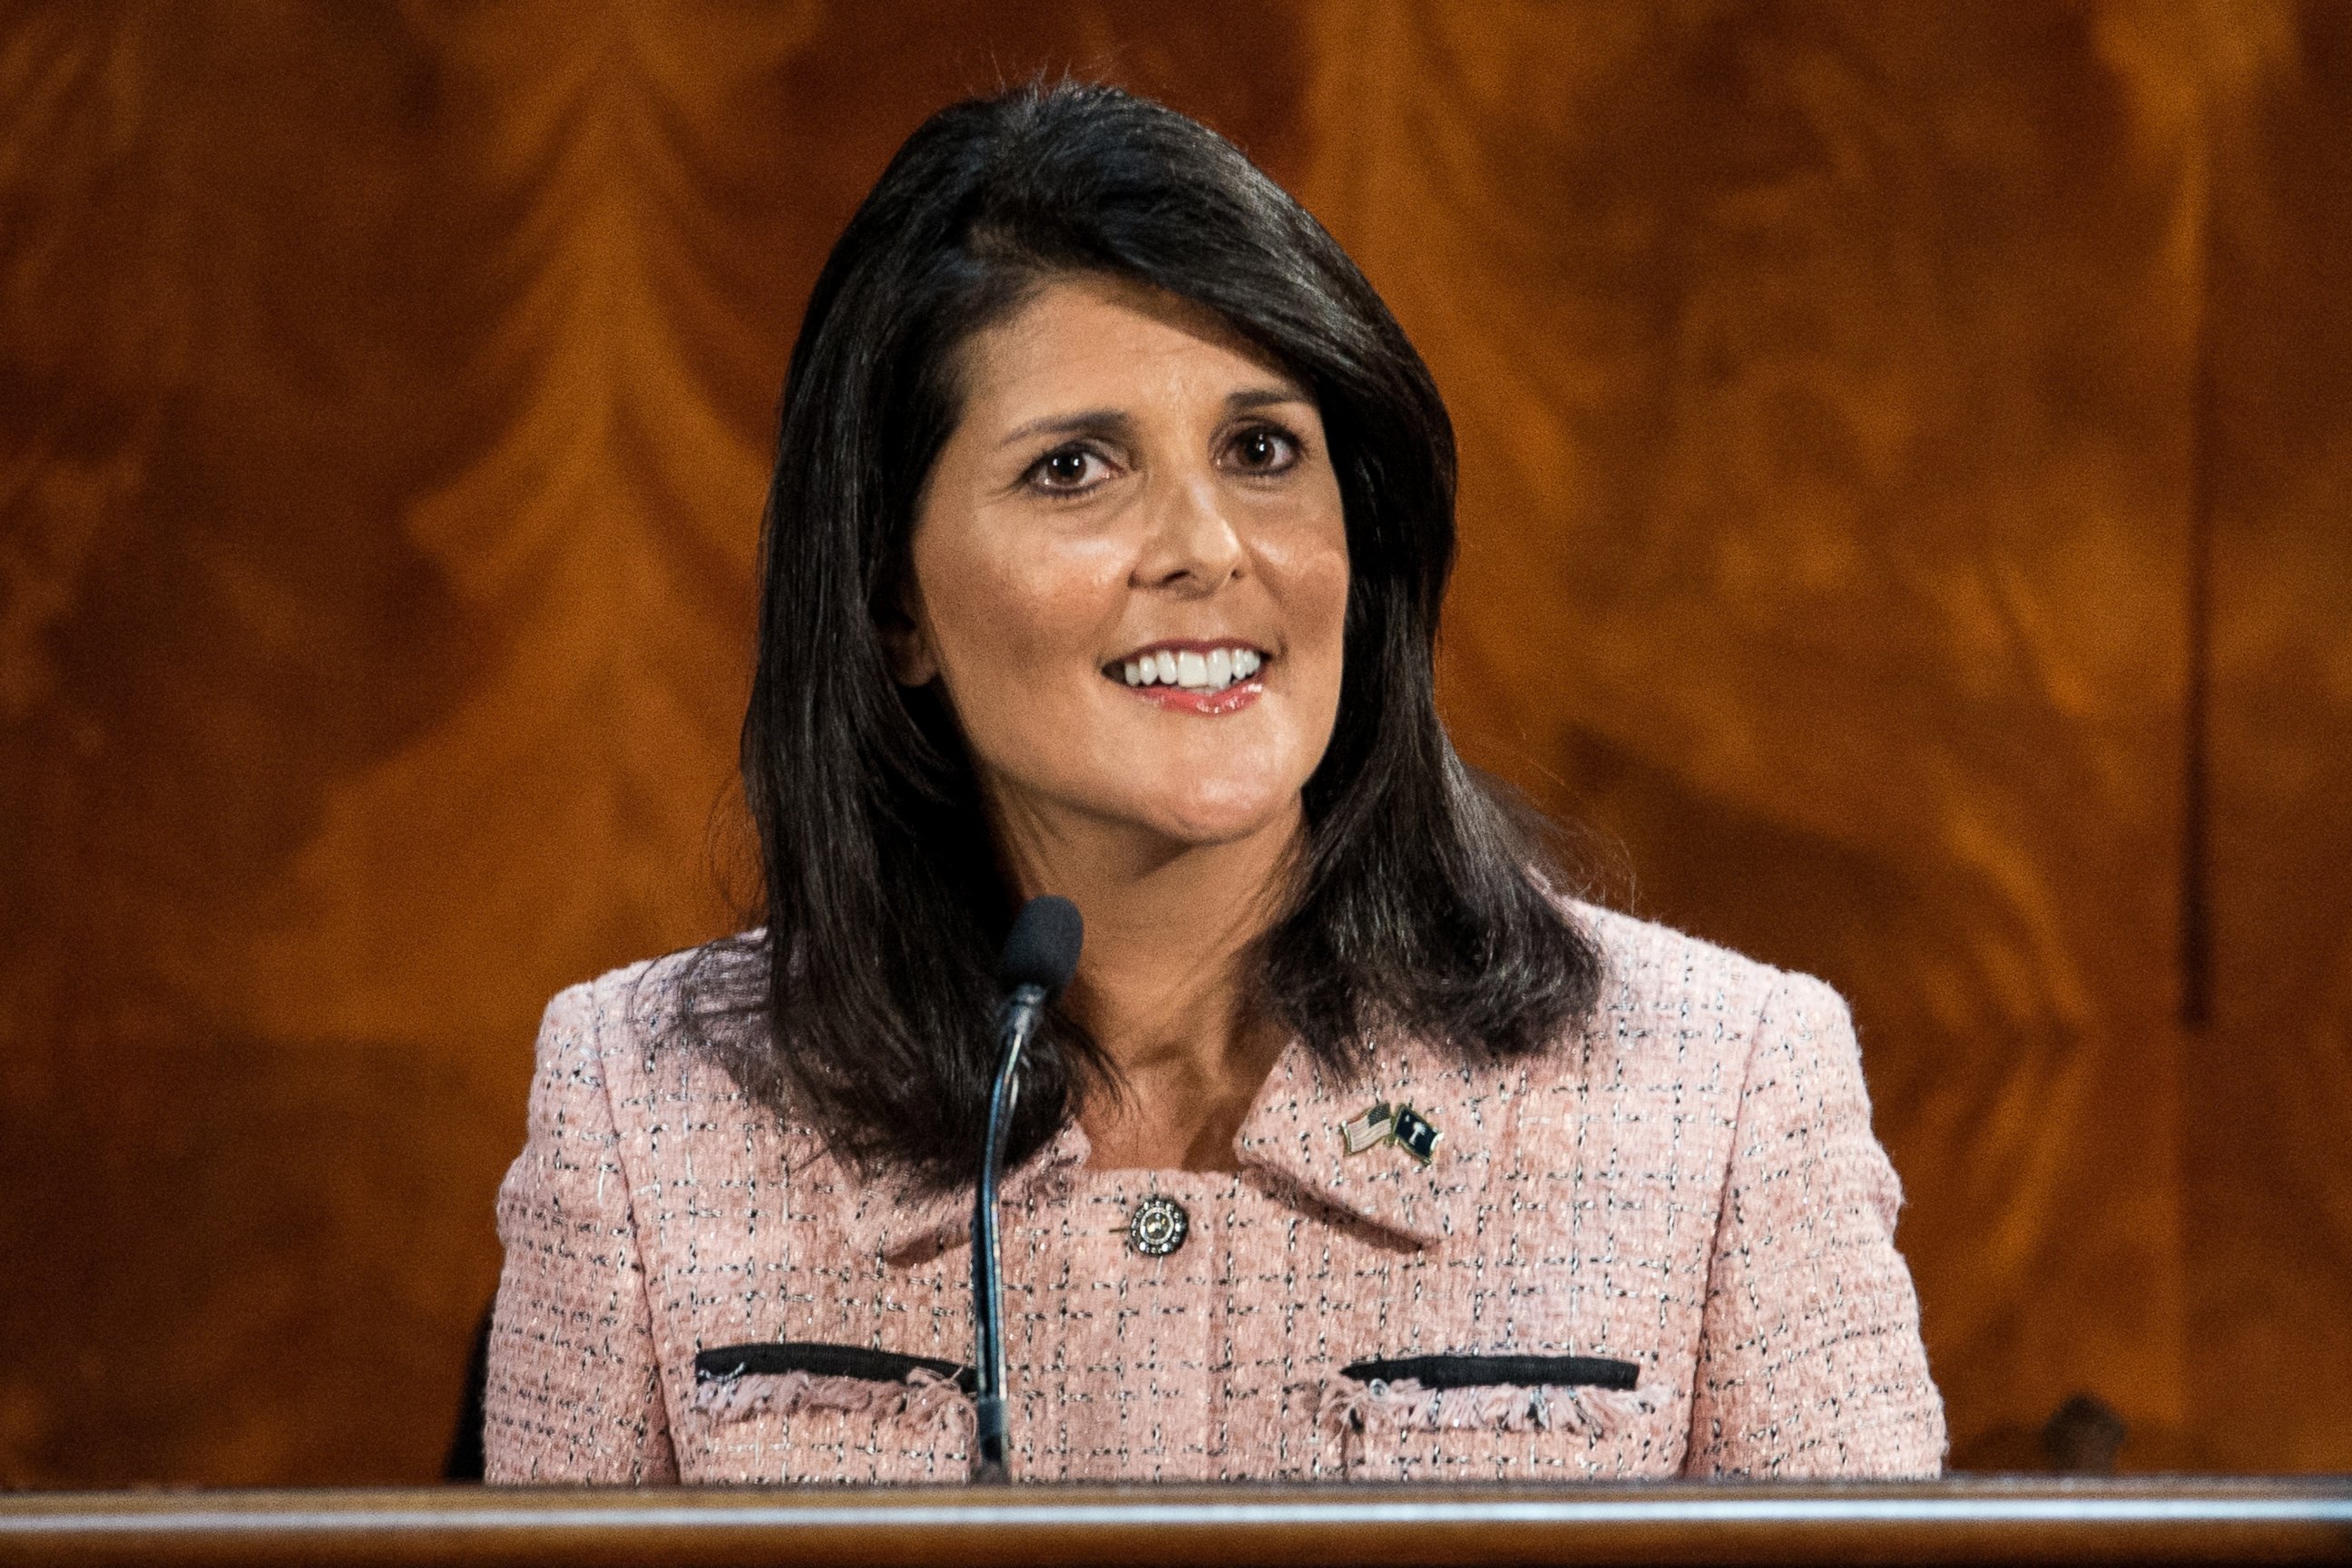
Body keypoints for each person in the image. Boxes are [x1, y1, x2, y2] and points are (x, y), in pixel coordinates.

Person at [483, 81, 1944, 1485]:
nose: (1206, 547)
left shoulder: (1727, 1090)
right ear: (891, 603)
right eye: (1073, 469)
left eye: (1261, 450)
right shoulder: (648, 1110)